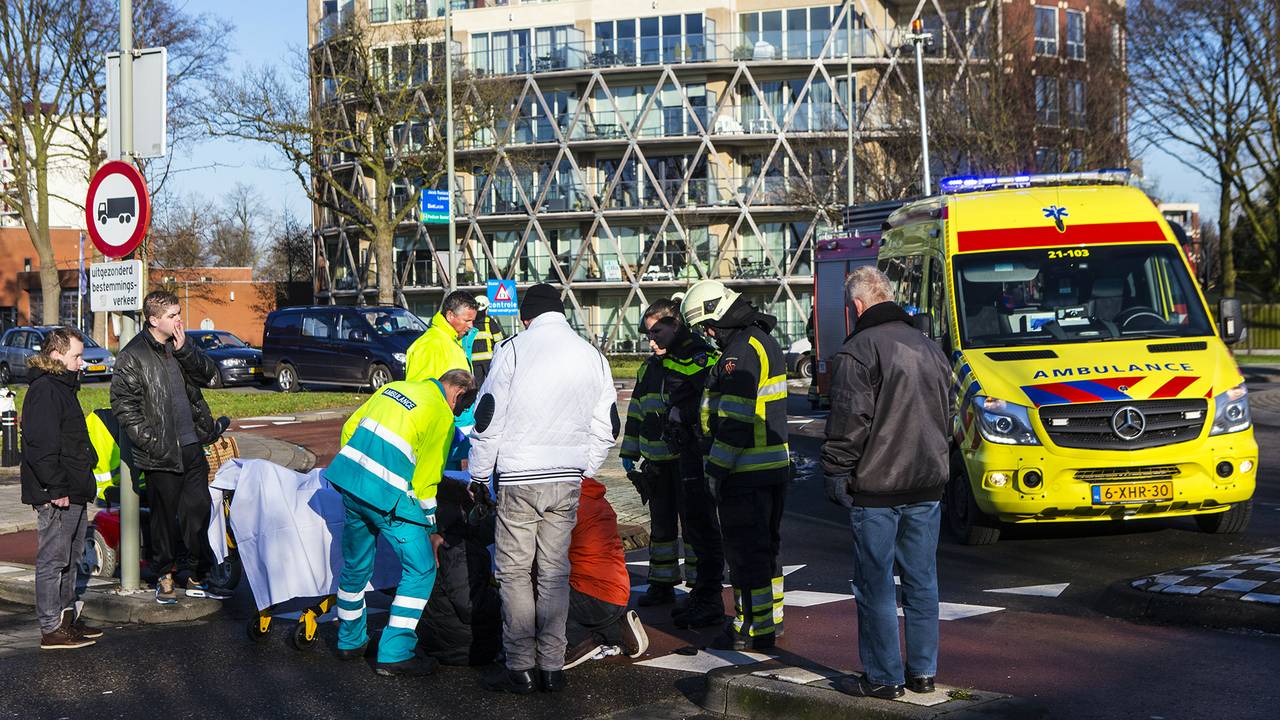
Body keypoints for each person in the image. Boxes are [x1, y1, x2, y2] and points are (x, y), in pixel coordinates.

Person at [470, 283, 618, 695]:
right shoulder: (592, 355)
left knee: (515, 572)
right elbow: (607, 426)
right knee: (554, 572)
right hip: (566, 477)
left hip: (520, 476)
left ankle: (521, 666)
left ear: (524, 316)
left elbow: (487, 420)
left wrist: (480, 477)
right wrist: (582, 467)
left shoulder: (513, 350)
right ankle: (553, 666)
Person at [820, 266, 951, 700]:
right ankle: (923, 672)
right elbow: (948, 416)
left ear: (856, 306)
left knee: (874, 583)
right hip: (927, 484)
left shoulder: (859, 350)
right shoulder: (930, 348)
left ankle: (883, 677)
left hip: (877, 487)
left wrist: (837, 471)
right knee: (922, 580)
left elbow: (848, 422)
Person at [326, 368, 481, 677]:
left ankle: (350, 641)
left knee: (356, 565)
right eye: (463, 407)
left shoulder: (395, 388)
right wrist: (431, 529)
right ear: (458, 395)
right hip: (386, 496)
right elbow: (426, 481)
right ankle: (395, 653)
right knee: (421, 568)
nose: (459, 413)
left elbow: (350, 428)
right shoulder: (440, 413)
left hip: (350, 482)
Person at [680, 280, 789, 652]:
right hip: (771, 468)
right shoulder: (760, 339)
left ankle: (750, 629)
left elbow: (734, 421)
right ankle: (770, 621)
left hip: (745, 472)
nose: (707, 335)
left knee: (746, 557)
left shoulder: (739, 352)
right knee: (767, 550)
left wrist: (716, 470)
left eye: (707, 326)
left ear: (718, 315)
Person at [111, 290, 223, 605]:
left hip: (192, 446)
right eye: (172, 315)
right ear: (153, 319)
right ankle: (164, 576)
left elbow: (211, 377)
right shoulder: (134, 355)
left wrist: (186, 349)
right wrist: (151, 442)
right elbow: (124, 405)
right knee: (163, 520)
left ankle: (197, 573)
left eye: (178, 313)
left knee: (198, 512)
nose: (178, 320)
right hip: (161, 453)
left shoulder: (181, 345)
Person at [620, 299, 725, 629]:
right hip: (657, 460)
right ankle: (662, 583)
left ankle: (699, 588)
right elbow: (637, 410)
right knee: (661, 526)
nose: (651, 342)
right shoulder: (648, 367)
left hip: (688, 460)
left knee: (696, 526)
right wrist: (630, 450)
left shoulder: (702, 359)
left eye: (656, 333)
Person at [21, 327, 104, 649]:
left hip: (73, 486)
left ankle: (67, 621)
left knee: (69, 558)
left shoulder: (63, 387)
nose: (82, 363)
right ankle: (51, 628)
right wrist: (56, 488)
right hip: (57, 491)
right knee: (53, 560)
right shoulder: (46, 390)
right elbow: (41, 446)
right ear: (56, 355)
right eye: (77, 356)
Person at [563, 476, 649, 668]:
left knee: (532, 588)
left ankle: (577, 641)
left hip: (590, 594)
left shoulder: (564, 504)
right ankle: (617, 632)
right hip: (616, 592)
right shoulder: (595, 499)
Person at [418, 476, 503, 667]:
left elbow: (489, 530)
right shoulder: (457, 549)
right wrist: (503, 597)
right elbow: (470, 606)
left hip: (440, 641)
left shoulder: (437, 537)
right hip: (465, 648)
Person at [406, 291, 478, 383]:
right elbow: (419, 390)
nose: (471, 326)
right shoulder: (431, 344)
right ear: (450, 316)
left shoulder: (453, 341)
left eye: (472, 321)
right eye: (467, 320)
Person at [469, 295, 506, 387]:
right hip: (489, 360)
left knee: (477, 388)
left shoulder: (470, 322)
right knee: (492, 385)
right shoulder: (489, 322)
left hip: (474, 361)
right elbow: (499, 341)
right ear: (486, 308)